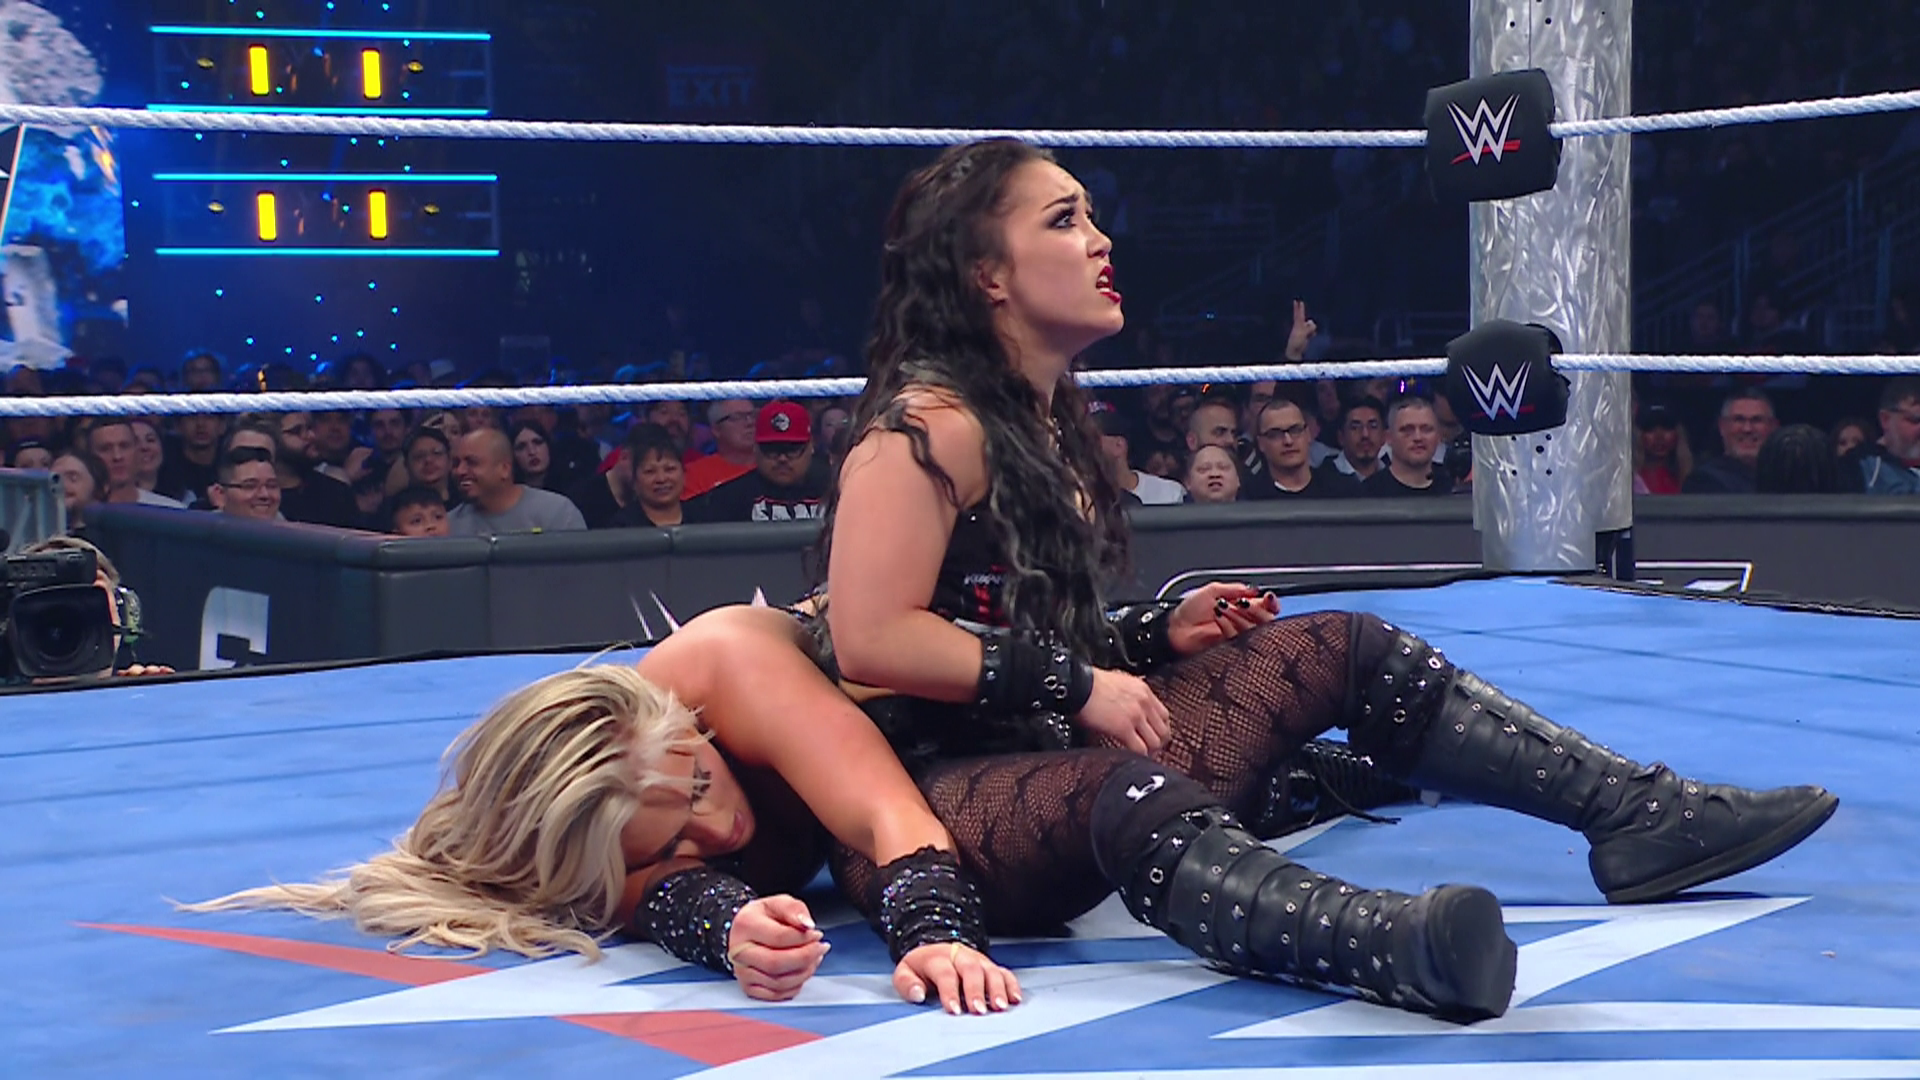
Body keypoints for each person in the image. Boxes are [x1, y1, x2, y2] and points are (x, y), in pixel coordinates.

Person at [812, 139, 1836, 1021]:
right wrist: (1081, 684)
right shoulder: (926, 430)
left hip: (1050, 756)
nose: (1101, 241)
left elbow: (1007, 620)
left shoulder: (1043, 425)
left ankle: (1640, 818)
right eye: (1064, 220)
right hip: (936, 814)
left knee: (1345, 647)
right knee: (1131, 788)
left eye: (1091, 216)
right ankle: (1392, 947)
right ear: (987, 274)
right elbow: (875, 637)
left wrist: (1152, 635)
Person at [183, 606, 1024, 1015]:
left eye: (698, 787)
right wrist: (729, 927)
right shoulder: (594, 841)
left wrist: (937, 934)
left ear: (685, 725)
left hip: (995, 692)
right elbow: (637, 897)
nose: (719, 832)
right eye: (669, 843)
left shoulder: (723, 669)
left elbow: (885, 816)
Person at [683, 402, 830, 525]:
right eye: (771, 449)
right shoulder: (727, 499)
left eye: (792, 449)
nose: (782, 459)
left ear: (811, 446)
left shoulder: (834, 490)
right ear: (755, 447)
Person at [447, 428, 587, 537]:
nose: (460, 471)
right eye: (456, 464)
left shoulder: (557, 512)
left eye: (472, 462)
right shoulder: (448, 526)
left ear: (504, 469)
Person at [1242, 398, 1358, 500]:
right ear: (1261, 443)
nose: (1288, 441)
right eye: (1275, 434)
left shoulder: (1343, 490)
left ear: (1308, 434)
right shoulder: (1248, 497)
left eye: (1295, 430)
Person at [1683, 389, 1778, 494]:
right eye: (1739, 420)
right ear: (1722, 427)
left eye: (1757, 420)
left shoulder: (1784, 479)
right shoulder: (1703, 481)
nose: (1747, 429)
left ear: (1773, 427)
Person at [1090, 399, 1184, 505]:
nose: (1083, 447)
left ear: (1118, 445)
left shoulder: (1170, 494)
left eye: (1091, 439)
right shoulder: (1080, 500)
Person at [1361, 397, 1453, 497]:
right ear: (1388, 437)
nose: (1418, 437)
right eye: (1407, 430)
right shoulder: (1367, 494)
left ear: (1438, 436)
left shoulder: (1452, 485)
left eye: (1426, 429)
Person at [610, 424, 689, 528]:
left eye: (670, 469)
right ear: (634, 481)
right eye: (650, 471)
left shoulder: (703, 518)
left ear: (683, 473)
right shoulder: (621, 526)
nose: (661, 479)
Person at [206, 447, 284, 522]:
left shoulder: (288, 529)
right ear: (220, 495)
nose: (265, 495)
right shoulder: (202, 529)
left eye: (272, 486)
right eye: (250, 486)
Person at [1633, 401, 1692, 495]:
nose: (1659, 437)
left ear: (1678, 434)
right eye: (1650, 428)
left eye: (1666, 427)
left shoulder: (1691, 479)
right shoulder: (1630, 479)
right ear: (1639, 435)